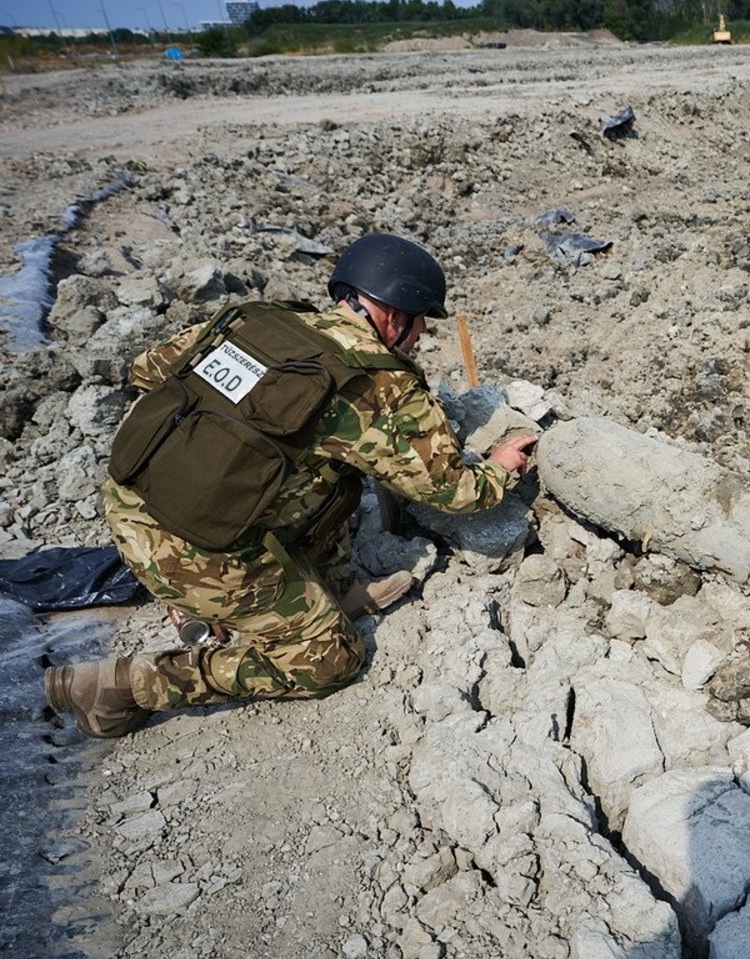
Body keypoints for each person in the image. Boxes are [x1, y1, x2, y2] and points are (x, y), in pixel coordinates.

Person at [45, 234, 539, 739]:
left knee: (325, 472)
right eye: (420, 323)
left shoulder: (258, 320)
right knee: (332, 662)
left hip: (132, 505)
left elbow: (147, 367)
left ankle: (305, 595)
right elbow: (455, 492)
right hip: (192, 551)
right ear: (396, 315)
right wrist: (499, 465)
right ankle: (119, 686)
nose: (419, 338)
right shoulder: (378, 383)